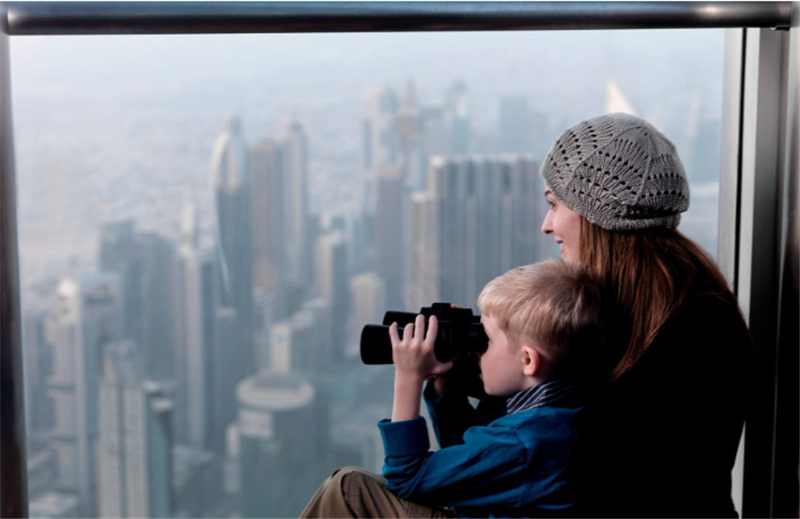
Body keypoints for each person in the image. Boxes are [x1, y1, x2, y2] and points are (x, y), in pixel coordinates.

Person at [538, 112, 754, 517]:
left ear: (595, 211)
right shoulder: (680, 304)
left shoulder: (693, 329)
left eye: (554, 204)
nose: (546, 225)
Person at [300, 259, 605, 518]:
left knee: (349, 488)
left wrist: (408, 378)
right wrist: (446, 381)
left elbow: (408, 478)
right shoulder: (558, 408)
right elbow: (467, 463)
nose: (476, 350)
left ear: (527, 360)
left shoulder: (525, 440)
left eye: (485, 339)